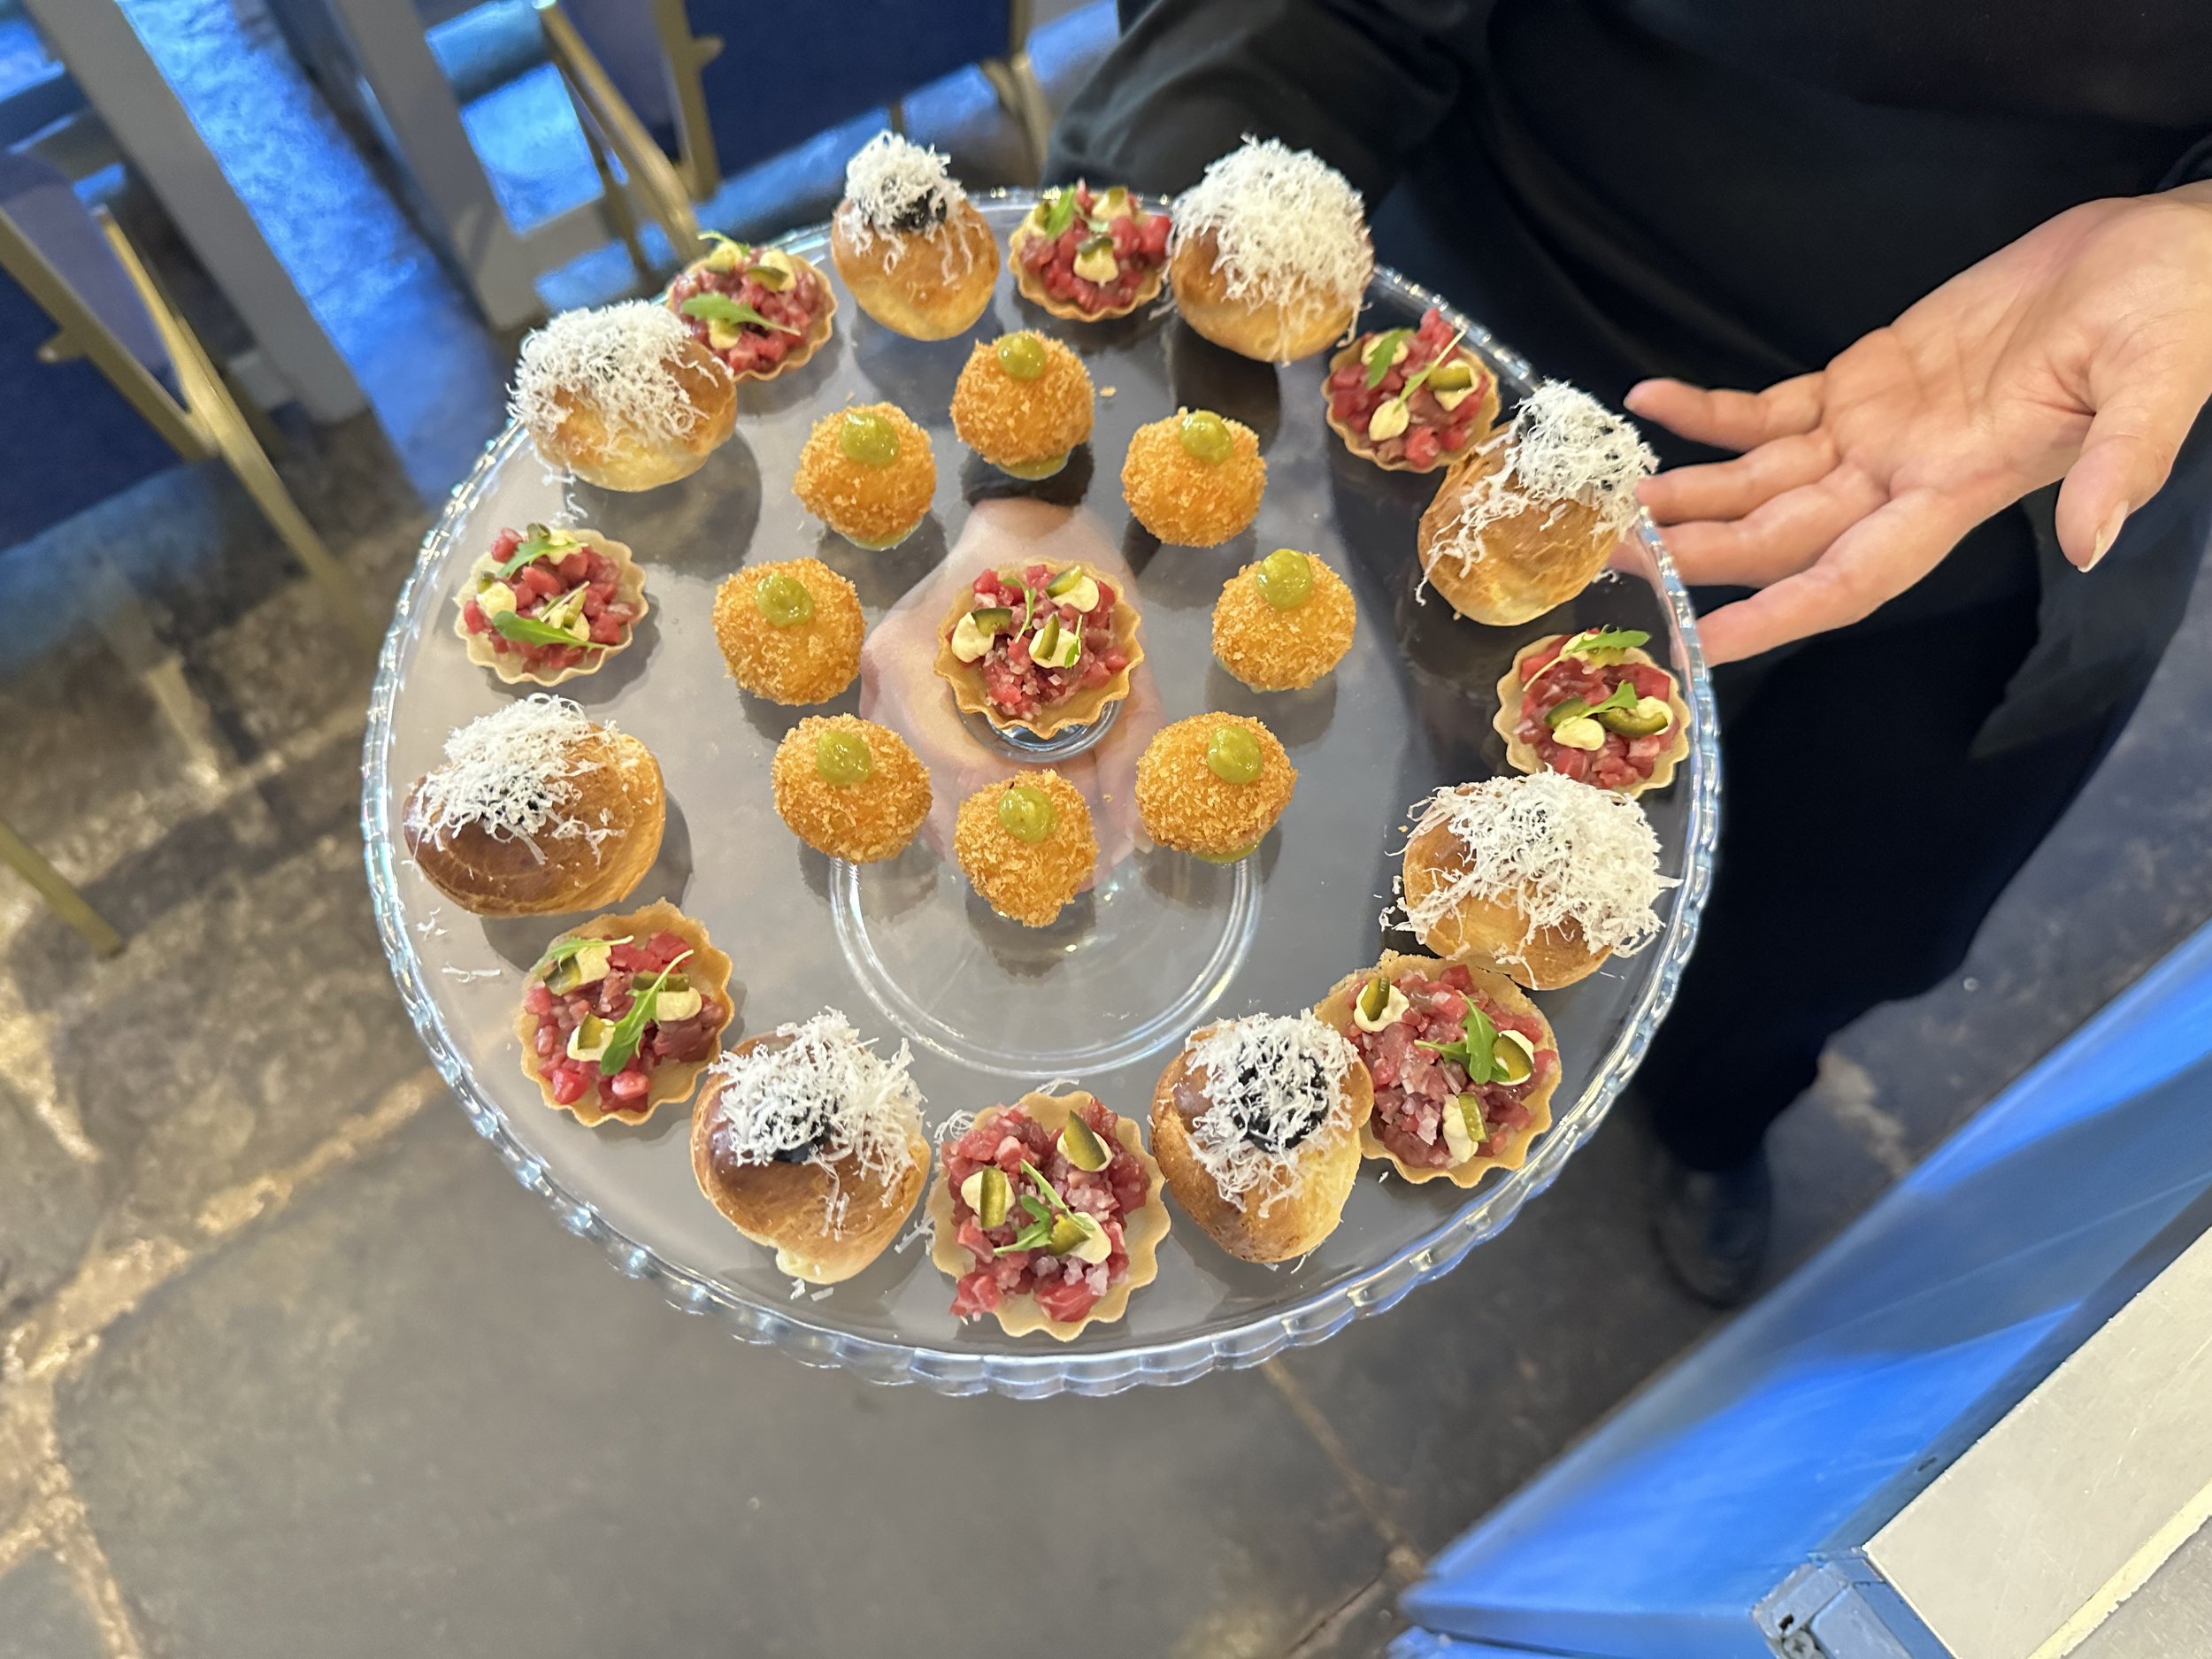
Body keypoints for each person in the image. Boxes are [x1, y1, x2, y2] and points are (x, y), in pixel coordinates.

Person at [1046, 0, 2212, 1302]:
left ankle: (1719, 1117)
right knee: (1471, 829)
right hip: (1520, 376)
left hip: (2051, 463)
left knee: (1857, 913)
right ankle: (1445, 1042)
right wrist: (1104, 377)